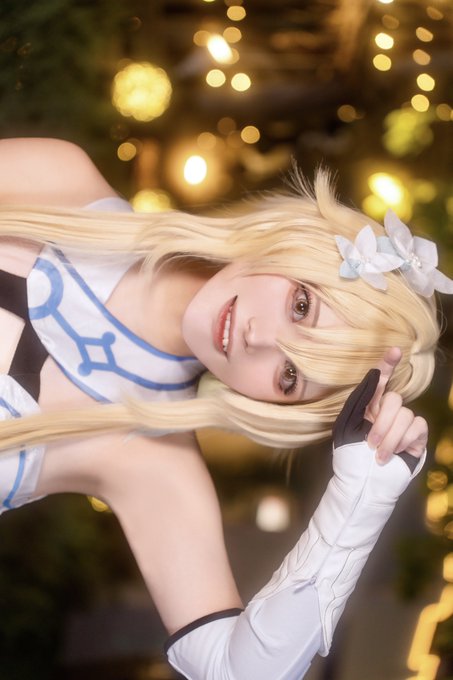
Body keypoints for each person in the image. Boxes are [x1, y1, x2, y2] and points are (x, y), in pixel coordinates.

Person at [0, 137, 450, 679]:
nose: (258, 338)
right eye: (301, 305)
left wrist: (363, 496)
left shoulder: (155, 465)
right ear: (294, 243)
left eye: (290, 376)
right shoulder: (59, 180)